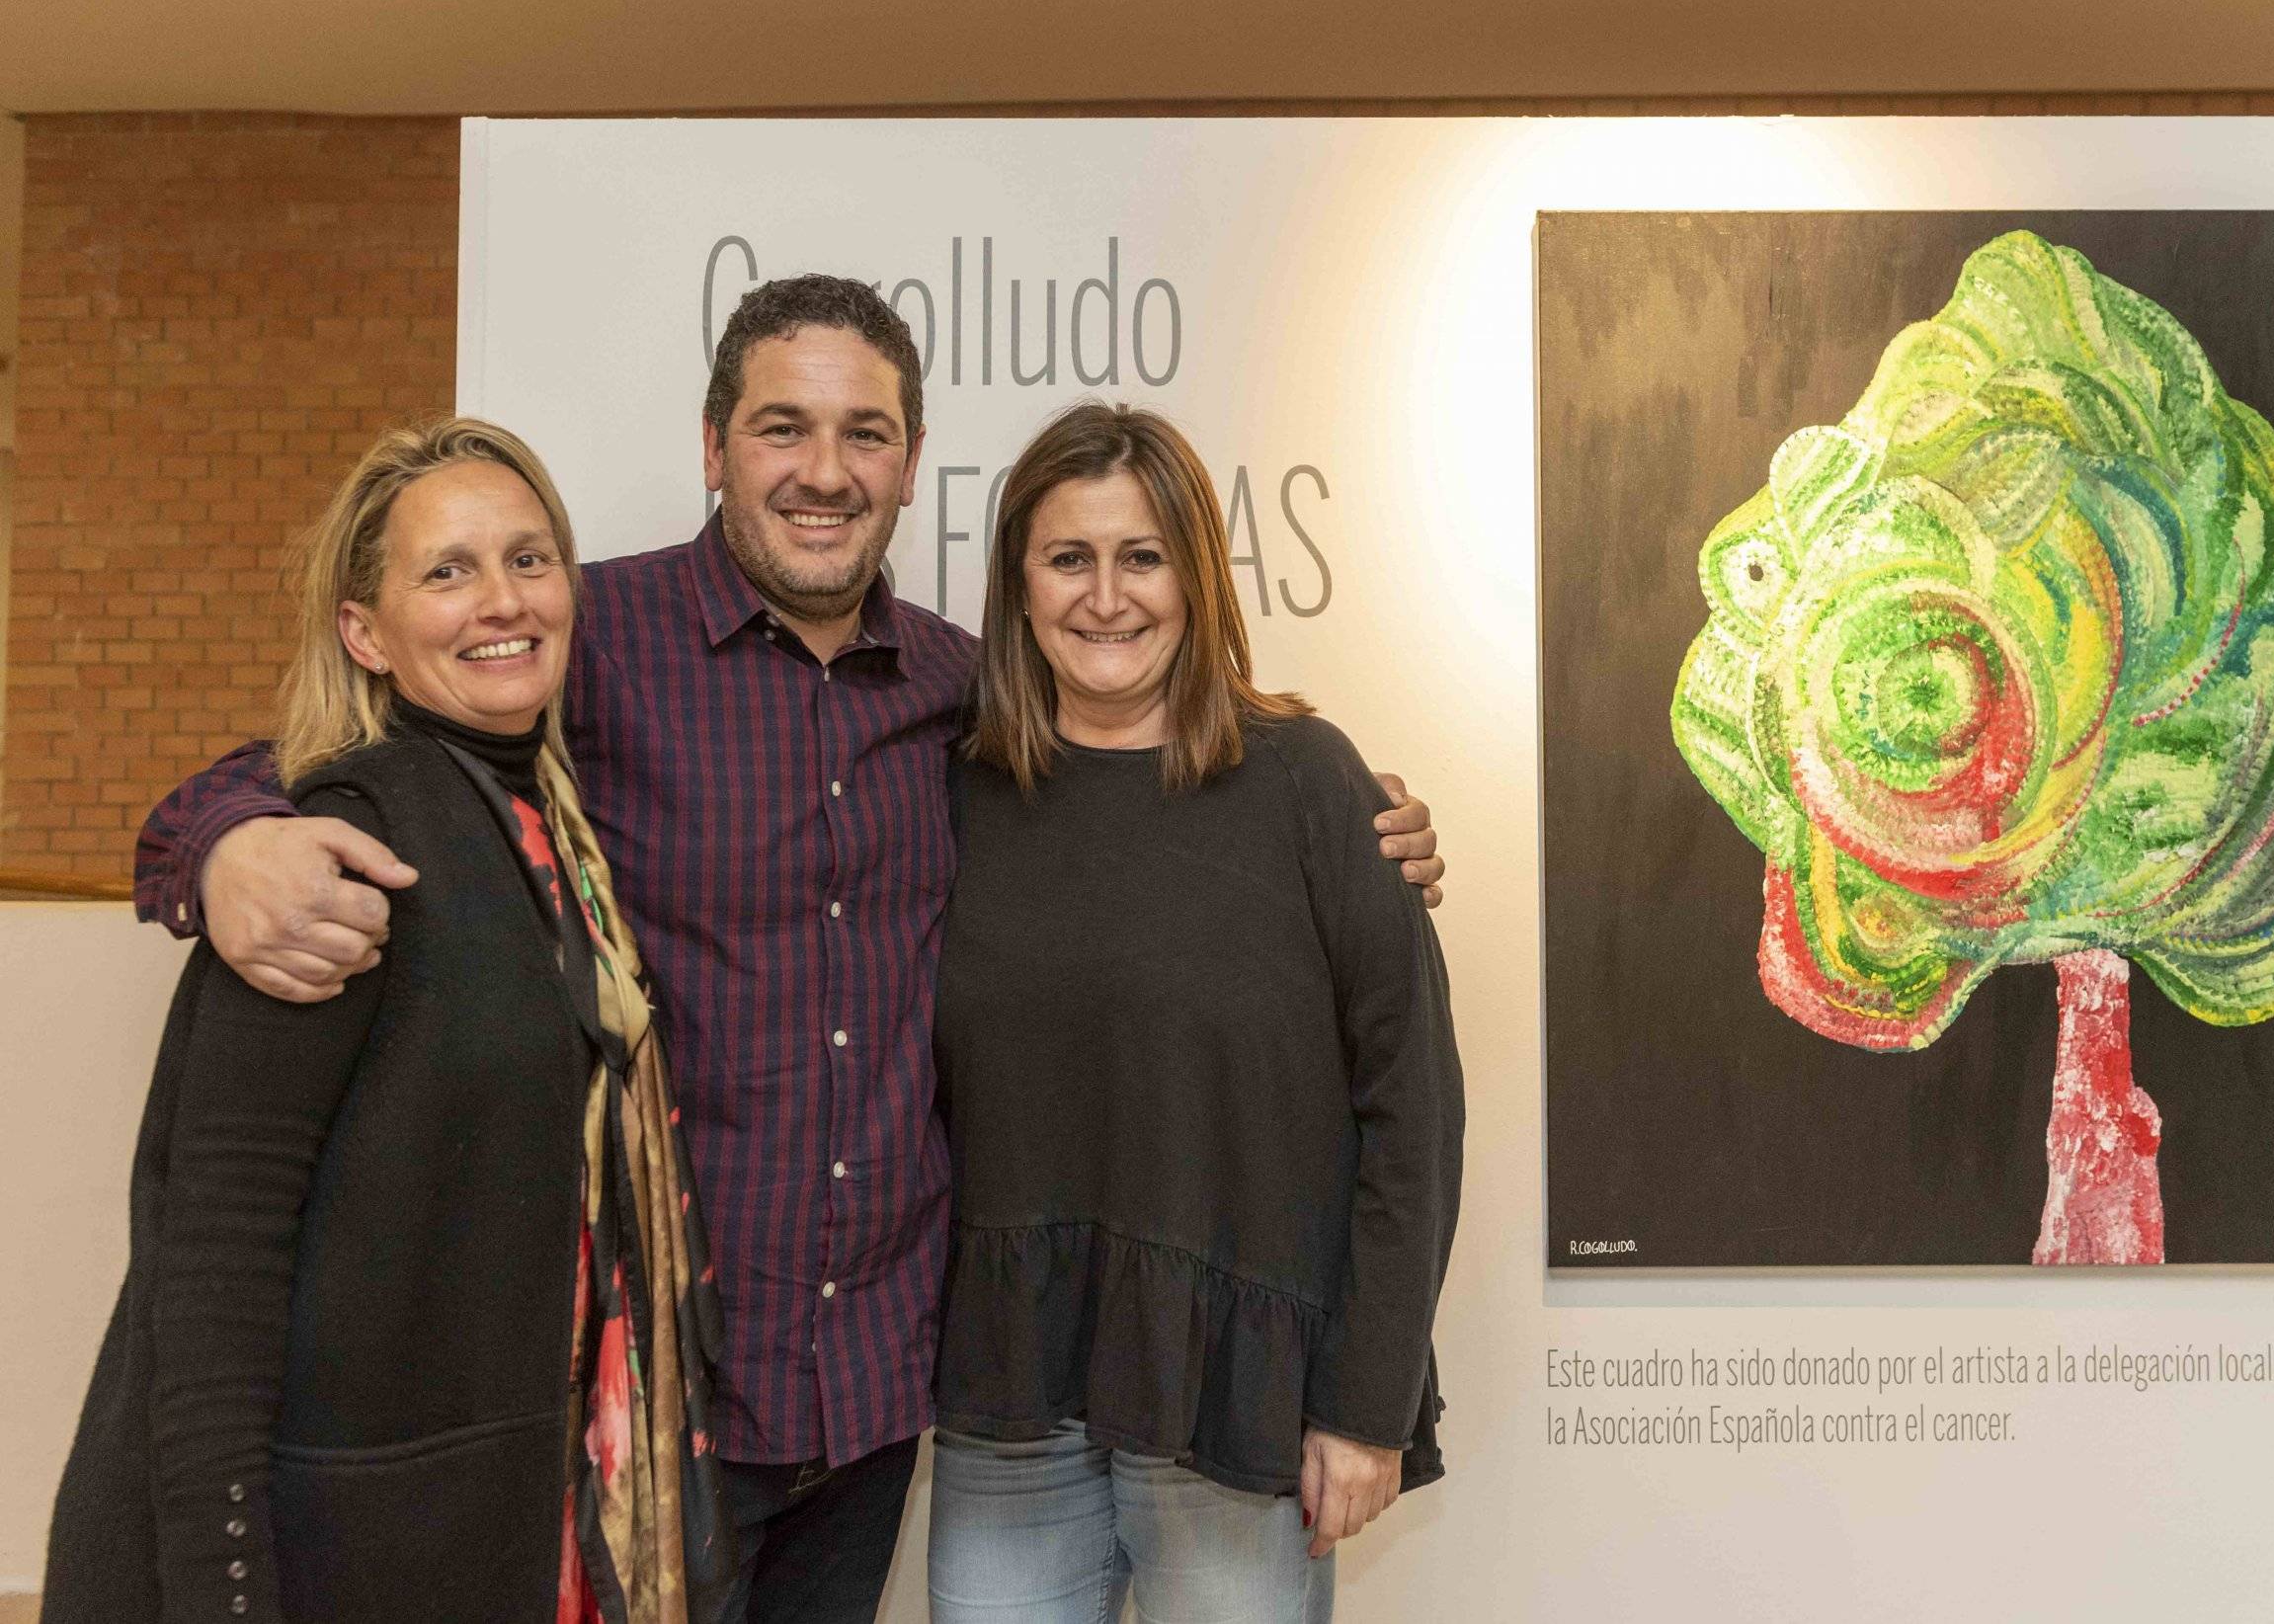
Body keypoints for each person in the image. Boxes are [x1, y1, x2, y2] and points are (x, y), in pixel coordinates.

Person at [130, 277, 1446, 1622]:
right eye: (782, 428)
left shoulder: (966, 703)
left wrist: (1364, 831)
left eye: (865, 433)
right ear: (714, 448)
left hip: (874, 1404)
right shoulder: (591, 638)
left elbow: (1187, 859)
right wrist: (225, 841)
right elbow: (367, 738)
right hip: (655, 1405)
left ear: (911, 464)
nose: (826, 471)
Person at [47, 420, 725, 1623]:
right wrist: (225, 1591)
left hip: (490, 1526)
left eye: (528, 558)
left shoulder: (543, 833)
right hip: (333, 1548)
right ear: (365, 629)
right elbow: (214, 1257)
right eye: (446, 570)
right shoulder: (341, 844)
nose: (499, 599)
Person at [925, 403, 1463, 1623]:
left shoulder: (1311, 782)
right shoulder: (953, 787)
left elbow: (1413, 1109)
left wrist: (1367, 1405)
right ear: (1019, 581)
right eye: (1069, 558)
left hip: (1238, 1407)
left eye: (1143, 556)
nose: (1106, 596)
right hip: (1010, 1406)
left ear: (1198, 577)